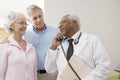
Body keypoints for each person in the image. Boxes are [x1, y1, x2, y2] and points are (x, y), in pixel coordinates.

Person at [45, 14, 111, 80]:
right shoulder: (59, 45)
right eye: (59, 23)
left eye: (63, 22)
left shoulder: (92, 41)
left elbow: (104, 67)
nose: (59, 26)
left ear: (74, 23)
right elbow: (50, 69)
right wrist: (53, 47)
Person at [23, 4, 58, 80]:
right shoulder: (25, 35)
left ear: (43, 15)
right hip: (33, 75)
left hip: (52, 74)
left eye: (40, 16)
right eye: (34, 18)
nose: (38, 20)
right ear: (29, 20)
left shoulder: (55, 32)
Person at [0, 11, 37, 80]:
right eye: (21, 23)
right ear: (12, 25)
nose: (25, 26)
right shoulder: (4, 46)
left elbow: (34, 73)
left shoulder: (32, 48)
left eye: (26, 24)